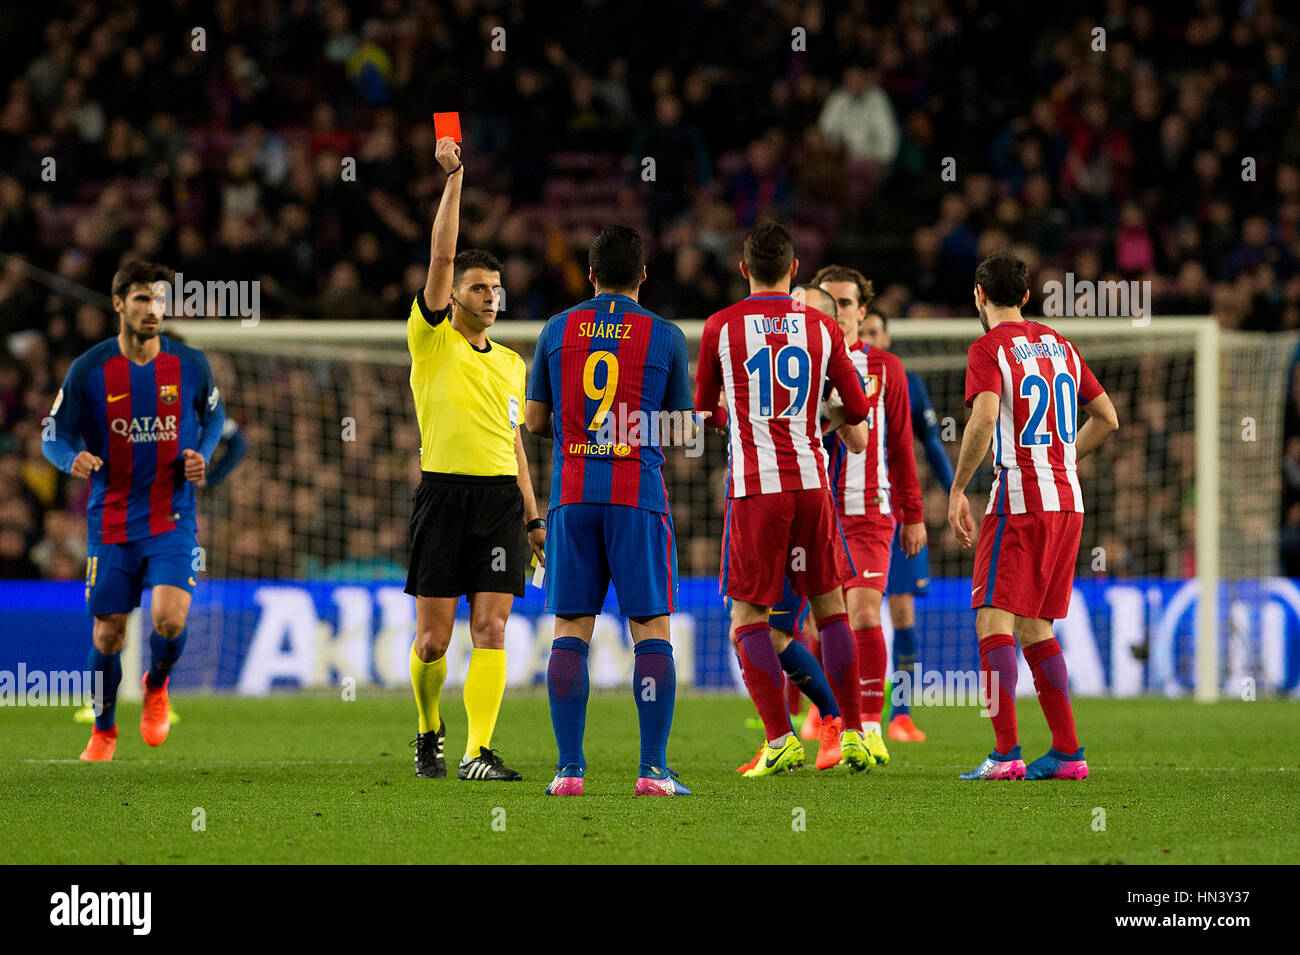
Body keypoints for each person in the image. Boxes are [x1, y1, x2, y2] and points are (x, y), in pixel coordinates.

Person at [695, 221, 874, 777]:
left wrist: (737, 421)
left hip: (756, 490)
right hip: (814, 485)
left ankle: (779, 738)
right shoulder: (821, 326)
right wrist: (820, 416)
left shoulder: (721, 327)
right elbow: (860, 409)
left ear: (744, 268)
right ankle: (850, 733)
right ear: (795, 270)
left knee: (747, 616)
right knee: (831, 607)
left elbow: (704, 410)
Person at [525, 225, 694, 797]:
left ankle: (569, 771)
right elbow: (684, 430)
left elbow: (533, 422)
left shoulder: (556, 328)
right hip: (636, 497)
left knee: (571, 629)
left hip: (572, 496)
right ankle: (652, 771)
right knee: (650, 630)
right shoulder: (665, 336)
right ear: (644, 275)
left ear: (590, 275)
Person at [43, 258, 226, 761]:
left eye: (160, 300)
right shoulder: (90, 369)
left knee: (169, 620)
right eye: (144, 299)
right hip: (113, 518)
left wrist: (202, 455)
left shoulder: (190, 363)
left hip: (172, 516)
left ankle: (157, 684)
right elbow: (51, 433)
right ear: (119, 304)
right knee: (109, 631)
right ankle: (103, 730)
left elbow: (215, 417)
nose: (154, 309)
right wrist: (69, 457)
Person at [405, 135, 545, 782]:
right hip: (443, 497)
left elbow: (512, 438)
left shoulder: (514, 364)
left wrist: (534, 515)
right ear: (453, 294)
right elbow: (439, 254)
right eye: (478, 287)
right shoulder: (432, 341)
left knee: (491, 627)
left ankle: (476, 750)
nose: (491, 296)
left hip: (497, 503)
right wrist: (456, 178)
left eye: (495, 288)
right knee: (433, 640)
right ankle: (429, 728)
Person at [948, 251, 1118, 781]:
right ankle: (1069, 754)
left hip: (1020, 499)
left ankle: (1005, 755)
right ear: (1025, 297)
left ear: (979, 296)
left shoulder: (988, 347)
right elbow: (1108, 419)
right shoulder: (1061, 346)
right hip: (1068, 503)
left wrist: (958, 488)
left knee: (991, 621)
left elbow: (983, 417)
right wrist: (1061, 457)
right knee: (1036, 626)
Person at [734, 284, 864, 774]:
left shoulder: (829, 358)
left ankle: (828, 725)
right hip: (796, 503)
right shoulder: (799, 351)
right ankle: (842, 727)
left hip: (783, 505)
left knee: (766, 625)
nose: (789, 317)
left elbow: (859, 433)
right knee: (784, 628)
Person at [812, 265, 926, 767]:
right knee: (815, 625)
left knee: (862, 615)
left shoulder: (886, 368)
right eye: (829, 302)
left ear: (863, 310)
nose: (837, 312)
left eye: (845, 303)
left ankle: (871, 727)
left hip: (868, 510)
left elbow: (901, 443)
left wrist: (915, 513)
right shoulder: (804, 362)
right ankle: (828, 723)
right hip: (812, 508)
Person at [860, 309, 956, 743]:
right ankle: (834, 713)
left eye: (874, 332)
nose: (869, 338)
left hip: (894, 511)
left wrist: (955, 490)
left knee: (900, 611)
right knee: (834, 614)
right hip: (847, 510)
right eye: (862, 333)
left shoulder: (905, 382)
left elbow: (930, 444)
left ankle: (900, 713)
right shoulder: (835, 374)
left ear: (888, 336)